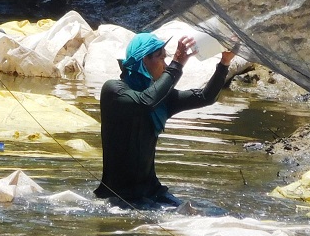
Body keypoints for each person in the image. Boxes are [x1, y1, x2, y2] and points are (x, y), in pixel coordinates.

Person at [94, 32, 236, 209]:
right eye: (161, 58)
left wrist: (224, 63)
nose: (166, 64)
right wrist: (177, 64)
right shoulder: (114, 91)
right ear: (143, 61)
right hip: (120, 197)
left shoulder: (161, 99)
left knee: (207, 214)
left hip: (152, 191)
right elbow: (146, 102)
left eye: (167, 59)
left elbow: (205, 97)